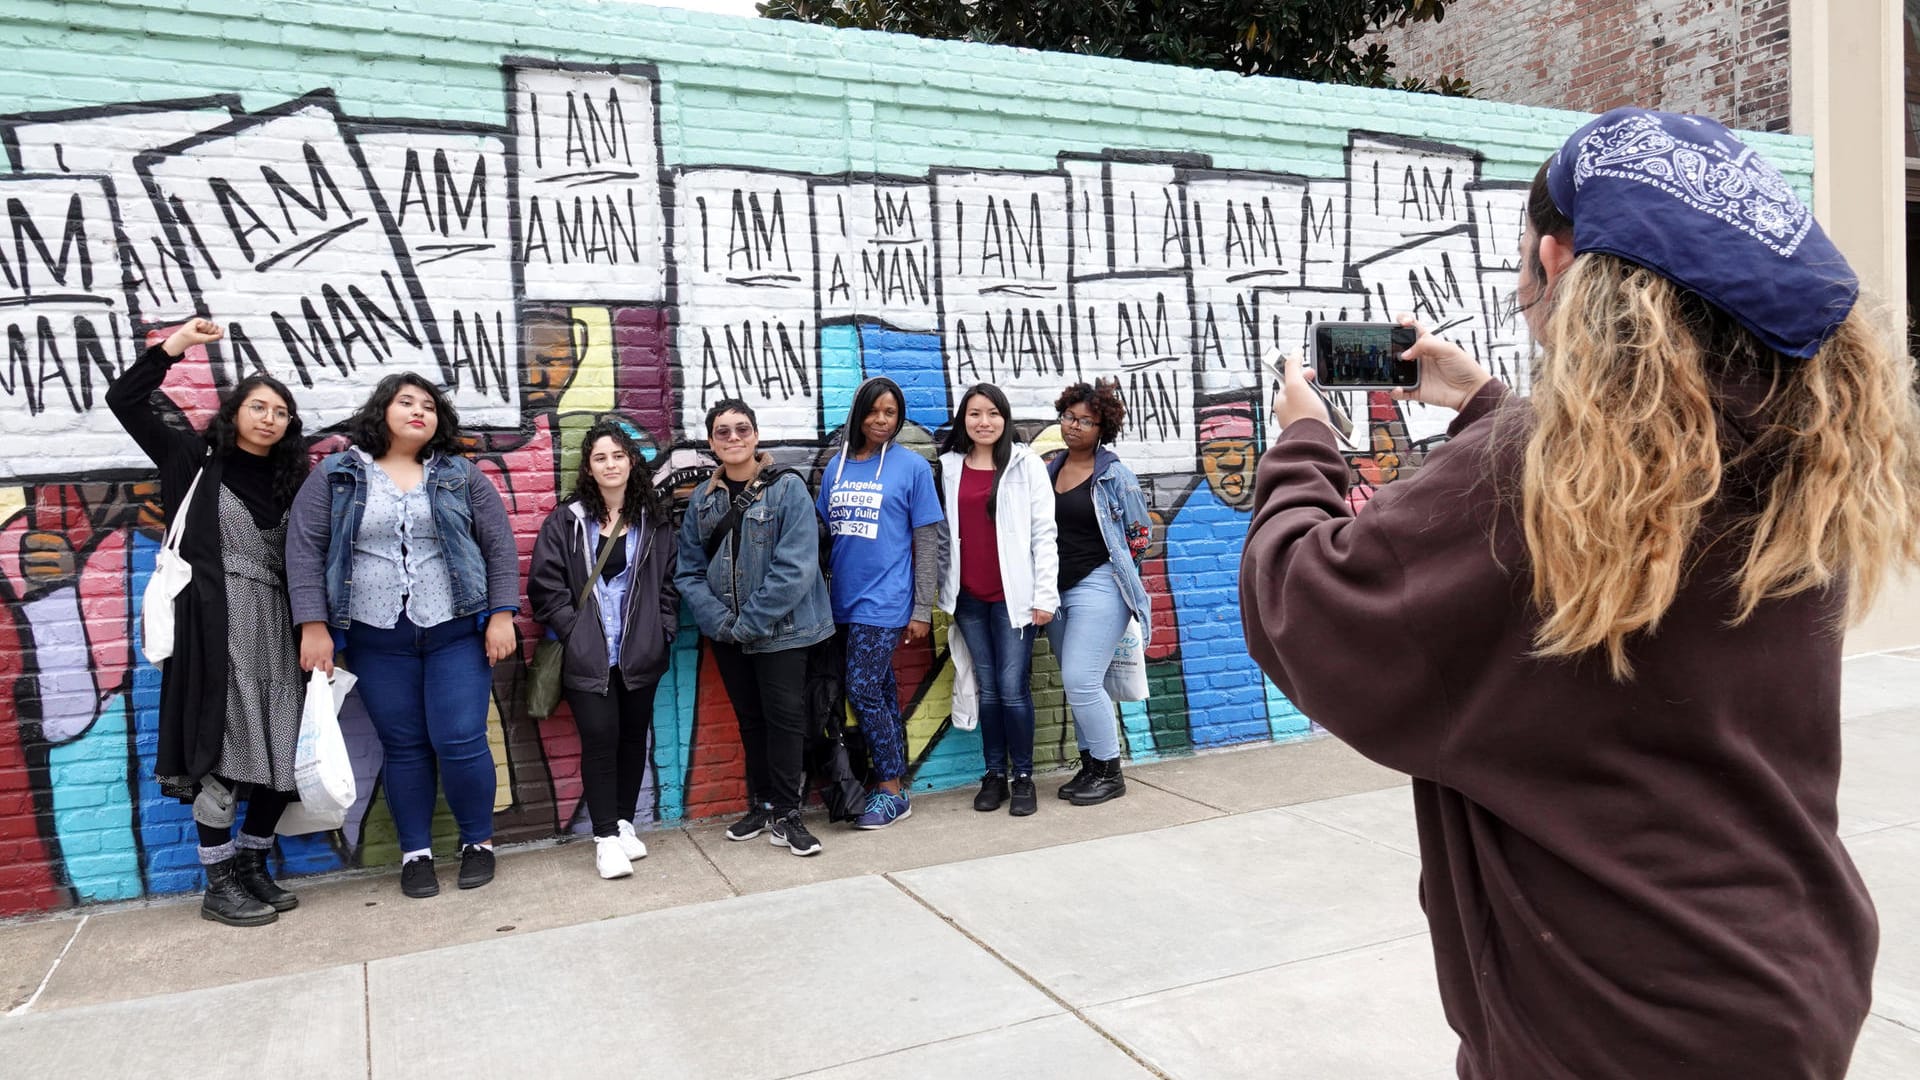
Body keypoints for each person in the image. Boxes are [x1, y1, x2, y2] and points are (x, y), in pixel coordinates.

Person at [1242, 108, 1920, 1078]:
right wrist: (1487, 408)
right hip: (1787, 988)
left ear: (1559, 266)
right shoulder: (1801, 460)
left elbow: (1301, 605)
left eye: (1526, 279)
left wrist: (1302, 440)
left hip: (1609, 1030)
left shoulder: (1527, 488)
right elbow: (1625, 506)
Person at [106, 318, 311, 926]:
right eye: (258, 406)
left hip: (279, 626)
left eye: (280, 411)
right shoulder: (192, 458)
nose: (269, 418)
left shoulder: (290, 480)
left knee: (283, 750)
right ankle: (218, 882)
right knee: (222, 750)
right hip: (213, 631)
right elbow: (125, 399)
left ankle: (253, 864)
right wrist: (177, 347)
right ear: (235, 411)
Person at [286, 374, 520, 899]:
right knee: (405, 746)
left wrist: (502, 614)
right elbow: (304, 550)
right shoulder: (338, 474)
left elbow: (499, 546)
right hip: (376, 639)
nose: (419, 411)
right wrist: (314, 625)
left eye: (429, 406)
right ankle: (416, 854)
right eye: (406, 402)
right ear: (382, 411)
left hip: (455, 632)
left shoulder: (461, 475)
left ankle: (477, 843)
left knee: (460, 739)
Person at [675, 399, 834, 856]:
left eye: (741, 429)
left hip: (784, 633)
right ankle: (764, 804)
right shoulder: (703, 501)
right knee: (752, 721)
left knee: (785, 722)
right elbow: (687, 569)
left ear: (756, 435)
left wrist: (750, 622)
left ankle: (788, 814)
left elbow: (796, 567)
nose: (733, 438)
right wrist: (723, 622)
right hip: (728, 633)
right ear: (711, 443)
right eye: (722, 432)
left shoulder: (787, 490)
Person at [528, 420, 678, 880]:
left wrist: (663, 629)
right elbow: (545, 585)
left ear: (632, 461)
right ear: (589, 469)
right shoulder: (567, 520)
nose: (610, 464)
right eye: (600, 458)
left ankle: (625, 823)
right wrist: (573, 630)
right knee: (599, 740)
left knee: (633, 740)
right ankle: (605, 837)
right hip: (589, 654)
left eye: (618, 456)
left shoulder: (654, 521)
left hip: (640, 654)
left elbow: (668, 585)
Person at [815, 378, 947, 830]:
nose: (881, 420)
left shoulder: (912, 468)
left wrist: (921, 609)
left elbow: (926, 543)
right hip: (840, 603)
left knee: (864, 688)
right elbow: (822, 535)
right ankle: (897, 782)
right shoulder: (836, 467)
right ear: (859, 413)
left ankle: (889, 790)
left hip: (887, 600)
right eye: (874, 411)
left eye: (890, 413)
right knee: (880, 691)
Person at [937, 383, 1058, 816]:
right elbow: (943, 536)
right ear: (963, 420)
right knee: (987, 690)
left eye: (992, 413)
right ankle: (994, 775)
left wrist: (1045, 595)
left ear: (1005, 419)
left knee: (1011, 689)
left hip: (1015, 601)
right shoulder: (949, 466)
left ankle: (1023, 777)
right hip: (968, 599)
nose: (983, 422)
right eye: (974, 414)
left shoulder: (1025, 465)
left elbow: (1045, 534)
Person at [1045, 381, 1154, 806]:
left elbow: (1139, 535)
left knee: (1080, 678)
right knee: (1078, 685)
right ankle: (1090, 765)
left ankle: (1111, 771)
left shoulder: (1114, 475)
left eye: (1085, 421)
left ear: (1101, 427)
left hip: (1099, 585)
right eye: (1069, 417)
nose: (1074, 426)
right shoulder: (1050, 468)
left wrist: (1117, 574)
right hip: (1057, 591)